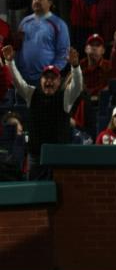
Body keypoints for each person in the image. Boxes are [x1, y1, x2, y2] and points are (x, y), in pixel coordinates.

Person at [3, 44, 82, 180]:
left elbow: (77, 86)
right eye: (46, 78)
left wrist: (75, 67)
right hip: (36, 156)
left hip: (59, 155)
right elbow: (17, 82)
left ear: (59, 81)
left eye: (53, 78)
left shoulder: (66, 97)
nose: (49, 81)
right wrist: (10, 61)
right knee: (35, 194)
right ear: (41, 80)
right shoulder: (31, 93)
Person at [15, 0, 71, 87]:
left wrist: (51, 74)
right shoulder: (24, 21)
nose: (36, 1)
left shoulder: (59, 25)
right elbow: (18, 48)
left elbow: (63, 53)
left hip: (46, 81)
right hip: (22, 78)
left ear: (50, 2)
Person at [80, 33, 113, 102]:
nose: (94, 48)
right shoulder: (79, 65)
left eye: (98, 45)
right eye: (91, 45)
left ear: (103, 50)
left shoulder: (109, 66)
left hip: (102, 102)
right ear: (86, 49)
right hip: (83, 102)